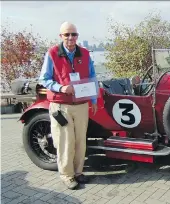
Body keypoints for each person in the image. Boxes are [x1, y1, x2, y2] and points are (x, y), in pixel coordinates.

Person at [39, 21, 98, 190]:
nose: (71, 38)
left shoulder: (85, 54)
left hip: (80, 104)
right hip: (60, 106)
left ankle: (78, 172)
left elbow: (92, 77)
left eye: (74, 34)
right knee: (65, 141)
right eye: (67, 34)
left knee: (80, 141)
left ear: (77, 36)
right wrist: (61, 87)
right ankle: (66, 174)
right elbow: (44, 79)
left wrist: (93, 100)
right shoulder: (52, 54)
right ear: (61, 36)